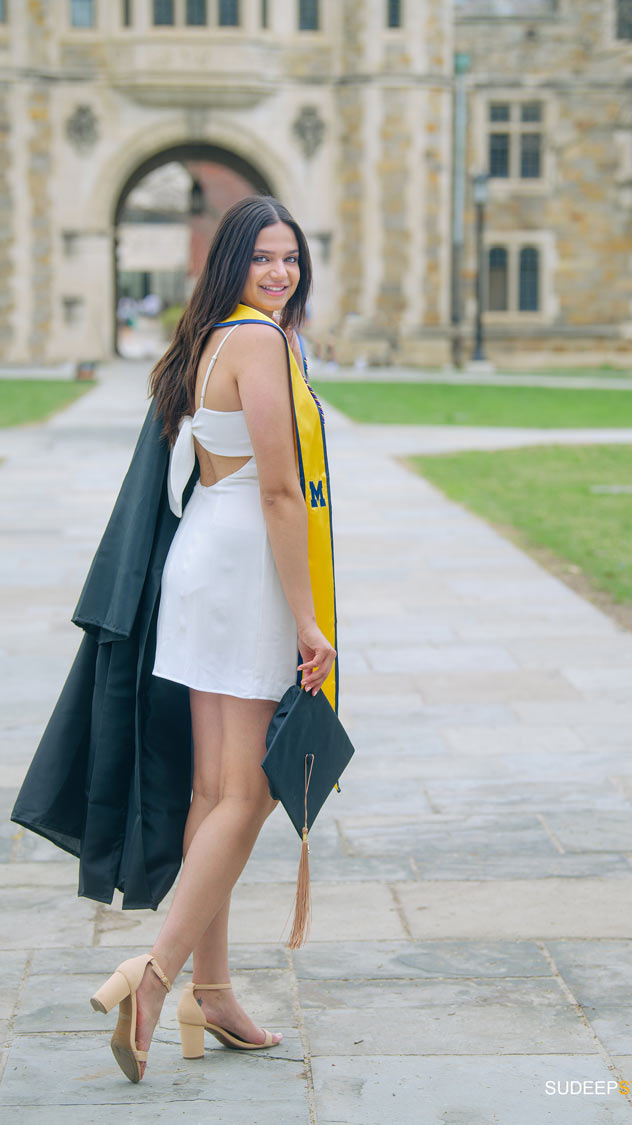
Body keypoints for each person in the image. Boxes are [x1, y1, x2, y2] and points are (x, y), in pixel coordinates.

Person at [88, 196, 337, 1083]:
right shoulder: (262, 343)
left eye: (291, 259)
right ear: (230, 260)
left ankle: (214, 988)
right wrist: (307, 617)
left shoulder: (209, 340)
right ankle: (152, 976)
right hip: (244, 566)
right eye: (263, 258)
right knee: (252, 791)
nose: (280, 273)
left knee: (210, 790)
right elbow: (279, 492)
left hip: (203, 557)